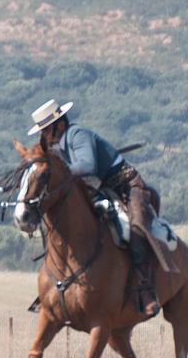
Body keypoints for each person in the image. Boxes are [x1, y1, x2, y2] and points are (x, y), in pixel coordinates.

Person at [27, 99, 175, 317]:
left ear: (58, 125)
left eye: (46, 130)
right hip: (102, 188)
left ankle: (145, 289)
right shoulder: (60, 146)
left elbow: (88, 165)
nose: (45, 136)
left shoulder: (77, 135)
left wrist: (61, 170)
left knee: (135, 228)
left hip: (127, 186)